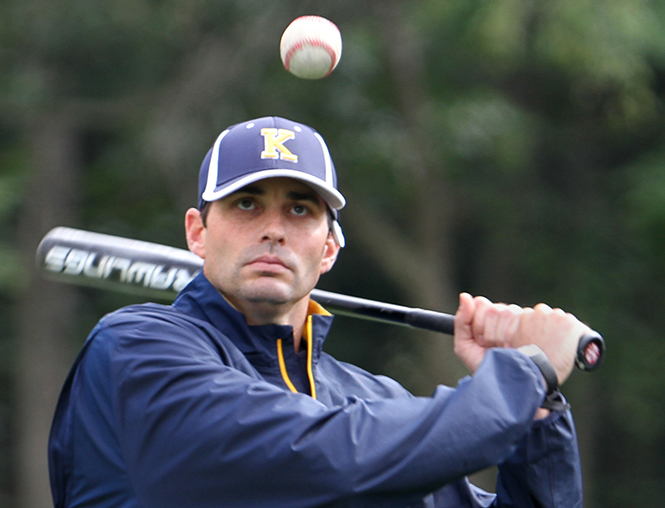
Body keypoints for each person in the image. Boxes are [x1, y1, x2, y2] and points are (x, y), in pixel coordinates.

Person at [48, 116, 589, 508]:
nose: (273, 227)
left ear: (328, 249)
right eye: (246, 203)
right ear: (197, 231)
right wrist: (524, 374)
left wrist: (538, 415)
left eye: (300, 209)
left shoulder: (375, 401)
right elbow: (322, 456)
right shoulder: (138, 350)